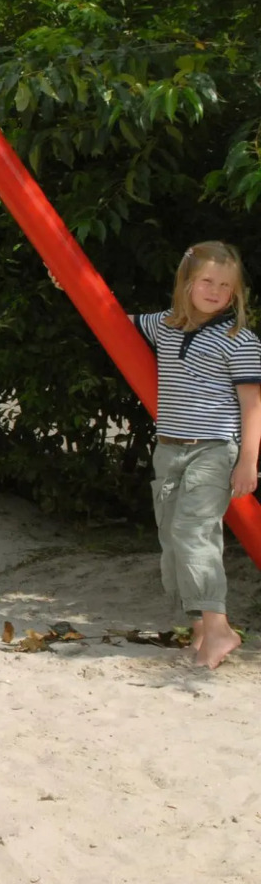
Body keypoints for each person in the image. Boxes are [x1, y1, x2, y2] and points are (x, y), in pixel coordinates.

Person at [131, 241, 261, 669]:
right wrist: (65, 284)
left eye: (225, 285)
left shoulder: (239, 341)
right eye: (206, 280)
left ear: (235, 293)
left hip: (214, 451)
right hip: (169, 449)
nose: (214, 290)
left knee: (194, 533)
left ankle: (220, 628)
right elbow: (106, 316)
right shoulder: (163, 326)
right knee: (172, 539)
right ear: (186, 283)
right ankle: (203, 629)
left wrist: (248, 462)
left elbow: (252, 405)